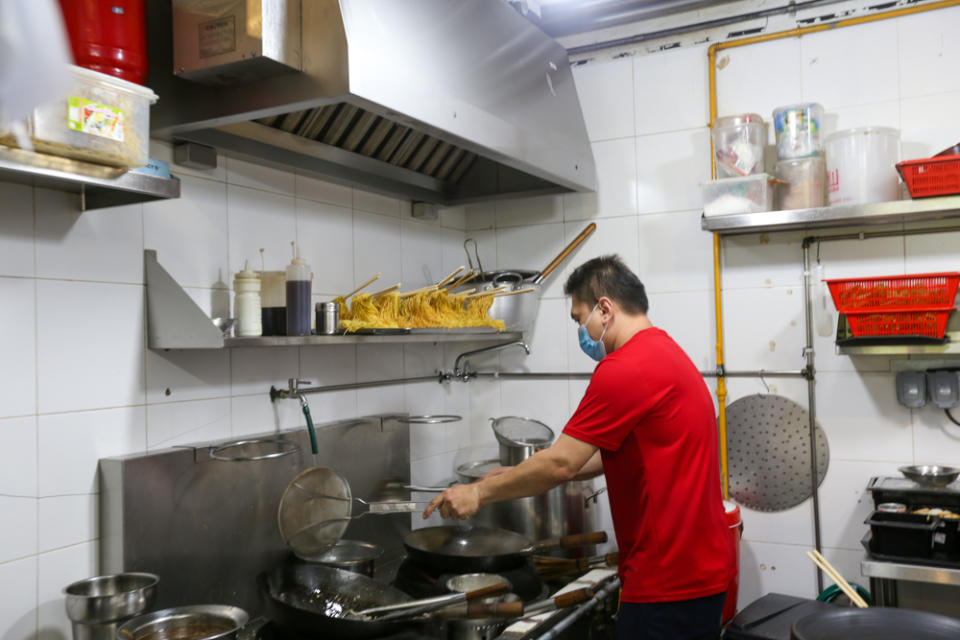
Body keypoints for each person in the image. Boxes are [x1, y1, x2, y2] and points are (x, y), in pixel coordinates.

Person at [423, 255, 735, 640]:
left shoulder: (626, 368)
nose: (580, 330)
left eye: (578, 318)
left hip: (667, 582)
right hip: (698, 571)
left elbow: (562, 464)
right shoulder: (666, 353)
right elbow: (623, 451)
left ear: (605, 308)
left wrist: (478, 492)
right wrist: (518, 473)